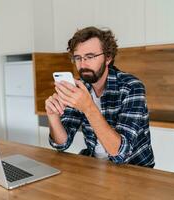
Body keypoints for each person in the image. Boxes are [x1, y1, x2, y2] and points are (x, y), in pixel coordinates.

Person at [45, 26, 154, 167]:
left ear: (108, 58)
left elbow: (121, 153)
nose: (83, 64)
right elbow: (61, 144)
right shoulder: (80, 88)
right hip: (96, 167)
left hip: (134, 171)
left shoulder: (131, 87)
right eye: (78, 58)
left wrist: (88, 107)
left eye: (90, 57)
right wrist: (53, 117)